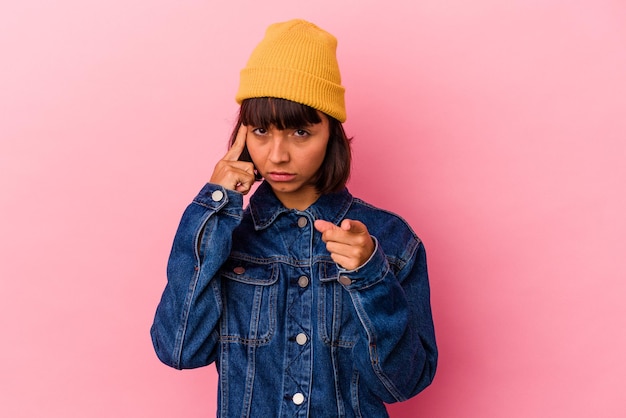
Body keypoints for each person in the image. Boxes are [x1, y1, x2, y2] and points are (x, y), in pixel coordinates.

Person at [151, 19, 437, 417]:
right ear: (242, 135)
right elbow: (179, 350)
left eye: (301, 132)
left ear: (332, 135)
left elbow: (402, 384)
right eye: (261, 130)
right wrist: (214, 208)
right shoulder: (226, 236)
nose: (277, 155)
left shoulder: (391, 240)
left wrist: (371, 277)